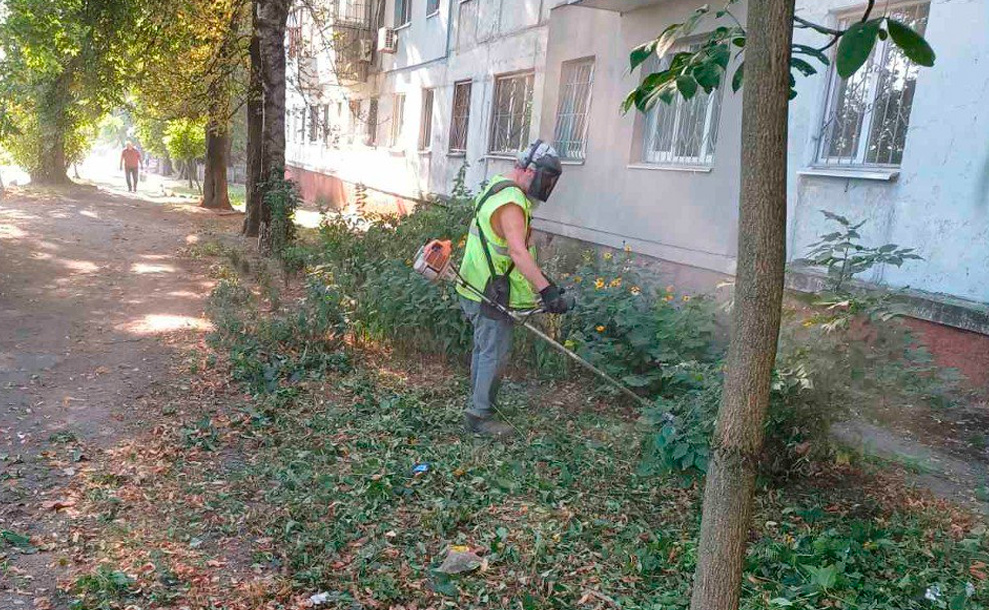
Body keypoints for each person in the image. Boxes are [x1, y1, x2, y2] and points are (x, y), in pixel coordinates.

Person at [456, 140, 572, 438]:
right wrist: (547, 292)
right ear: (527, 170)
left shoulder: (499, 188)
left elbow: (515, 253)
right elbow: (518, 253)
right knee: (493, 352)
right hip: (490, 290)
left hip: (479, 284)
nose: (546, 186)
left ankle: (479, 404)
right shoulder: (511, 202)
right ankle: (479, 417)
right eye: (544, 178)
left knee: (486, 349)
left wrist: (546, 283)